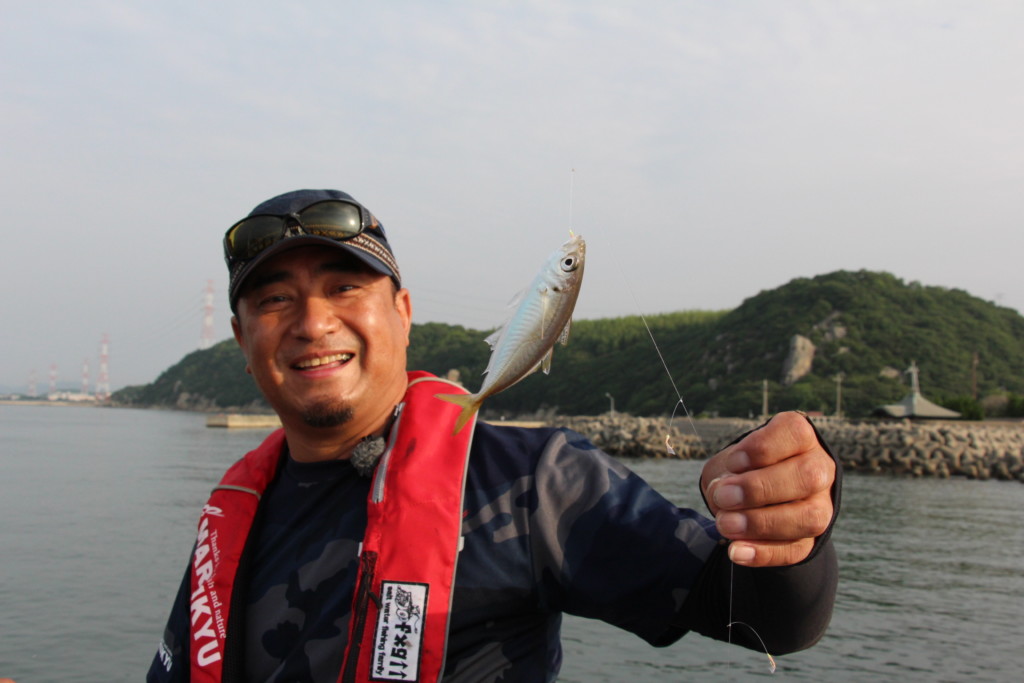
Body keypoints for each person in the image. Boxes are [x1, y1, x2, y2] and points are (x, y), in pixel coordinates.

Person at [147, 189, 840, 683]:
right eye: (274, 299)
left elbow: (767, 616)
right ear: (242, 340)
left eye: (345, 288)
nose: (312, 322)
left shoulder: (532, 480)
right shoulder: (233, 517)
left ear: (403, 313)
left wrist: (792, 517)